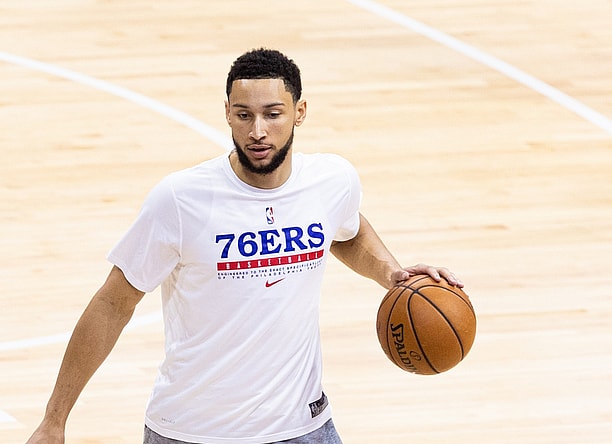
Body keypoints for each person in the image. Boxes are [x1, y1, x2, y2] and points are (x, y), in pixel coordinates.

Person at [26, 48, 462, 444]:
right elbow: (113, 304)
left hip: (303, 427)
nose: (258, 131)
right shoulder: (180, 200)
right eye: (243, 115)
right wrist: (54, 419)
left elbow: (347, 230)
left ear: (300, 112)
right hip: (192, 433)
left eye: (273, 114)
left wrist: (393, 275)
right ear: (227, 115)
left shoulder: (332, 181)